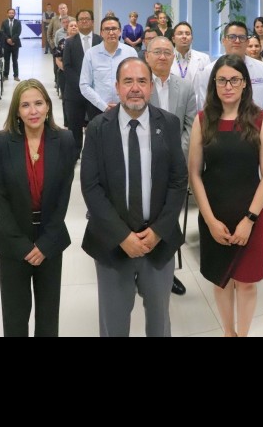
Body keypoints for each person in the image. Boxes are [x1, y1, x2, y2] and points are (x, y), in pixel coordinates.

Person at [81, 57, 188, 337]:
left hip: (158, 243)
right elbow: (91, 187)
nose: (135, 88)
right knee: (113, 325)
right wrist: (122, 236)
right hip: (112, 244)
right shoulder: (98, 128)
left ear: (151, 87)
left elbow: (178, 181)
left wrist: (158, 231)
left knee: (159, 324)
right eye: (128, 81)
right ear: (117, 87)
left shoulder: (169, 124)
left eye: (142, 81)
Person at [188, 54, 263, 336]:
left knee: (246, 283)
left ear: (245, 83)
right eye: (222, 80)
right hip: (215, 215)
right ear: (214, 83)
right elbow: (195, 174)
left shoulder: (260, 119)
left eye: (234, 80)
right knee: (222, 280)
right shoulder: (203, 120)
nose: (228, 86)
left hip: (250, 213)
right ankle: (228, 331)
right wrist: (210, 220)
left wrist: (249, 220)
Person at [0, 79, 77, 336]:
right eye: (25, 105)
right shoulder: (2, 142)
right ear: (16, 111)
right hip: (12, 239)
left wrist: (46, 243)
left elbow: (63, 197)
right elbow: (0, 199)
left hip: (50, 237)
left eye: (38, 103)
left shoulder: (65, 140)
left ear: (48, 106)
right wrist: (22, 245)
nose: (33, 111)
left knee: (48, 318)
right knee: (15, 318)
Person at [145, 35, 196, 297]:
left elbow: (191, 125)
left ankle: (167, 272)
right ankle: (140, 269)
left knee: (169, 216)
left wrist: (174, 153)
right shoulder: (139, 84)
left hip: (175, 165)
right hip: (143, 161)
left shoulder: (185, 87)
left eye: (167, 52)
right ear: (147, 56)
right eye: (157, 52)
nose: (163, 56)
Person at [195, 21, 263, 119]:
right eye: (232, 37)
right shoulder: (209, 71)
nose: (237, 41)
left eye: (242, 37)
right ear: (224, 41)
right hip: (220, 126)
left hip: (257, 125)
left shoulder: (262, 68)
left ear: (247, 42)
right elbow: (205, 105)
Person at [62, 9, 102, 158]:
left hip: (97, 93)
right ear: (77, 23)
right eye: (81, 19)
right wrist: (82, 85)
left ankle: (94, 155)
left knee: (96, 126)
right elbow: (67, 66)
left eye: (87, 18)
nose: (84, 21)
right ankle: (75, 155)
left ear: (92, 22)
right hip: (74, 92)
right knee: (74, 127)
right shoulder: (69, 42)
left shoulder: (100, 41)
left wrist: (92, 86)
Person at [80, 15, 138, 116]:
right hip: (98, 109)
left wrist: (124, 104)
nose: (111, 33)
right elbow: (84, 85)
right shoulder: (91, 54)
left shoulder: (130, 52)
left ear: (120, 31)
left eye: (114, 29)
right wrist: (104, 106)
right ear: (101, 33)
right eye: (107, 29)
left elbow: (136, 81)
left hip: (126, 108)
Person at [171, 21, 211, 87]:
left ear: (192, 39)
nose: (184, 36)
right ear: (173, 39)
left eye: (187, 34)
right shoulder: (166, 58)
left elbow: (209, 84)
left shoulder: (204, 59)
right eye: (180, 33)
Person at [1, 8, 22, 81]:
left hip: (15, 43)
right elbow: (3, 32)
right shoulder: (4, 22)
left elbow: (18, 32)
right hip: (6, 44)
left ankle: (16, 76)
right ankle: (5, 75)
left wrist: (12, 40)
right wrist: (7, 39)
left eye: (12, 13)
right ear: (7, 14)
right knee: (6, 60)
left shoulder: (18, 22)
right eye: (10, 13)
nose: (11, 14)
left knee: (15, 60)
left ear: (14, 14)